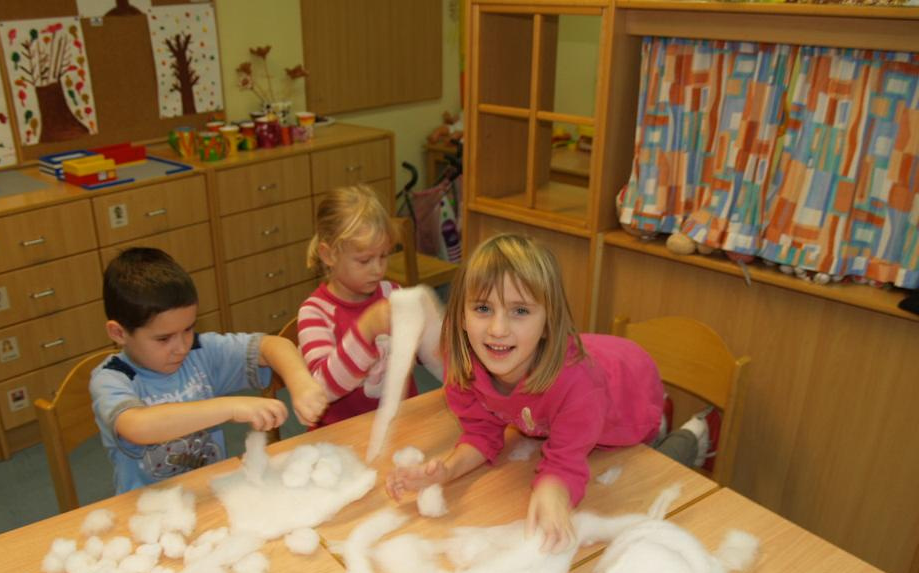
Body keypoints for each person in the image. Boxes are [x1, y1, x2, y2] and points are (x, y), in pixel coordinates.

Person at [386, 234, 711, 553]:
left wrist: (554, 488)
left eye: (520, 311)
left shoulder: (578, 385)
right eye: (483, 308)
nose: (498, 329)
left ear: (548, 322)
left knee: (651, 466)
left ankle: (695, 431)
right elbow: (481, 432)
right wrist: (446, 471)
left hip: (630, 396)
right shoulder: (464, 369)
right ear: (461, 316)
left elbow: (566, 462)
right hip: (588, 388)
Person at [90, 247, 327, 494]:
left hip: (209, 495)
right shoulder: (111, 378)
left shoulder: (200, 351)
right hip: (147, 506)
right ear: (119, 333)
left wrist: (301, 383)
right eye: (163, 339)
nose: (181, 347)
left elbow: (272, 346)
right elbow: (138, 426)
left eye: (188, 328)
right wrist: (230, 408)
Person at [297, 184, 417, 427]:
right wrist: (366, 330)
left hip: (400, 424)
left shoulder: (393, 294)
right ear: (328, 255)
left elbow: (430, 353)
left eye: (383, 256)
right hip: (342, 435)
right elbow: (322, 389)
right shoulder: (314, 313)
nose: (378, 269)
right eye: (364, 260)